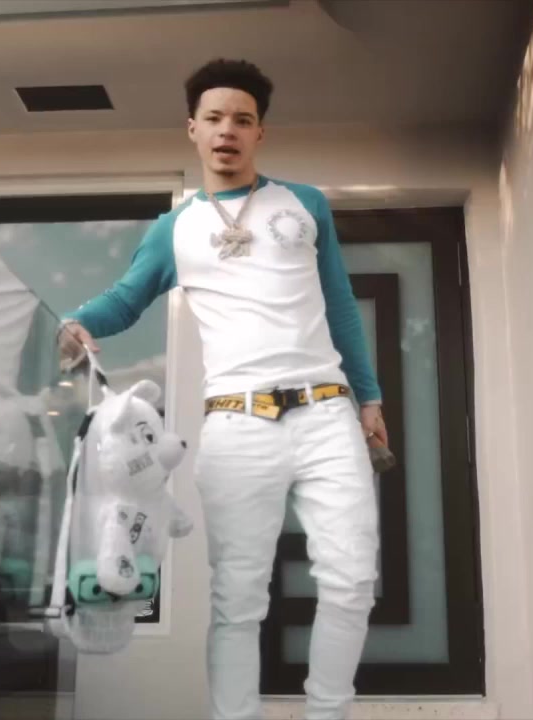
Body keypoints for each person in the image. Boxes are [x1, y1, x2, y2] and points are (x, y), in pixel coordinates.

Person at [57, 58, 387, 720]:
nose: (227, 130)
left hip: (326, 413)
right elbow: (125, 299)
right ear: (193, 129)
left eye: (242, 119)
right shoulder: (175, 229)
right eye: (213, 118)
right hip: (238, 425)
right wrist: (77, 321)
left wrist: (370, 397)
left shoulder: (304, 204)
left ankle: (328, 713)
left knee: (352, 580)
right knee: (238, 601)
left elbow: (340, 305)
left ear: (260, 132)